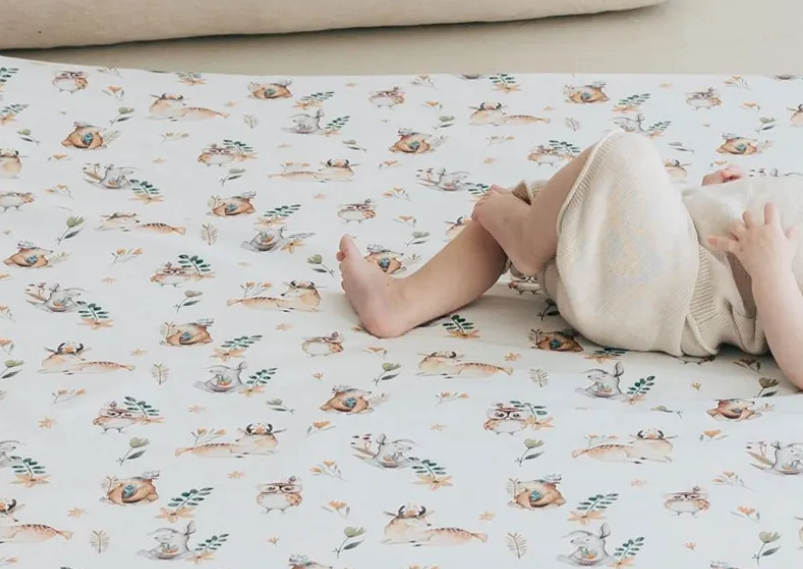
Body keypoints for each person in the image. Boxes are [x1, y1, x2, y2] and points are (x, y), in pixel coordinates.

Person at [338, 129, 803, 386]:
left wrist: (771, 271)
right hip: (674, 251)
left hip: (672, 295)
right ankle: (400, 302)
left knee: (622, 154)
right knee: (553, 199)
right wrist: (718, 202)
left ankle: (525, 242)